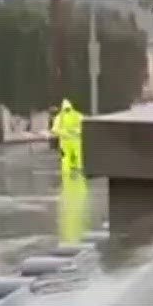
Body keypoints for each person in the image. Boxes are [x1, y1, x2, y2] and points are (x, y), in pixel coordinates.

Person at [50, 99, 87, 246]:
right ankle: (71, 175)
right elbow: (55, 129)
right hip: (69, 142)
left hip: (72, 142)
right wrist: (68, 132)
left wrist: (69, 132)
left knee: (74, 160)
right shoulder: (67, 116)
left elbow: (83, 126)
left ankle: (73, 175)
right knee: (70, 160)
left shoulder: (70, 116)